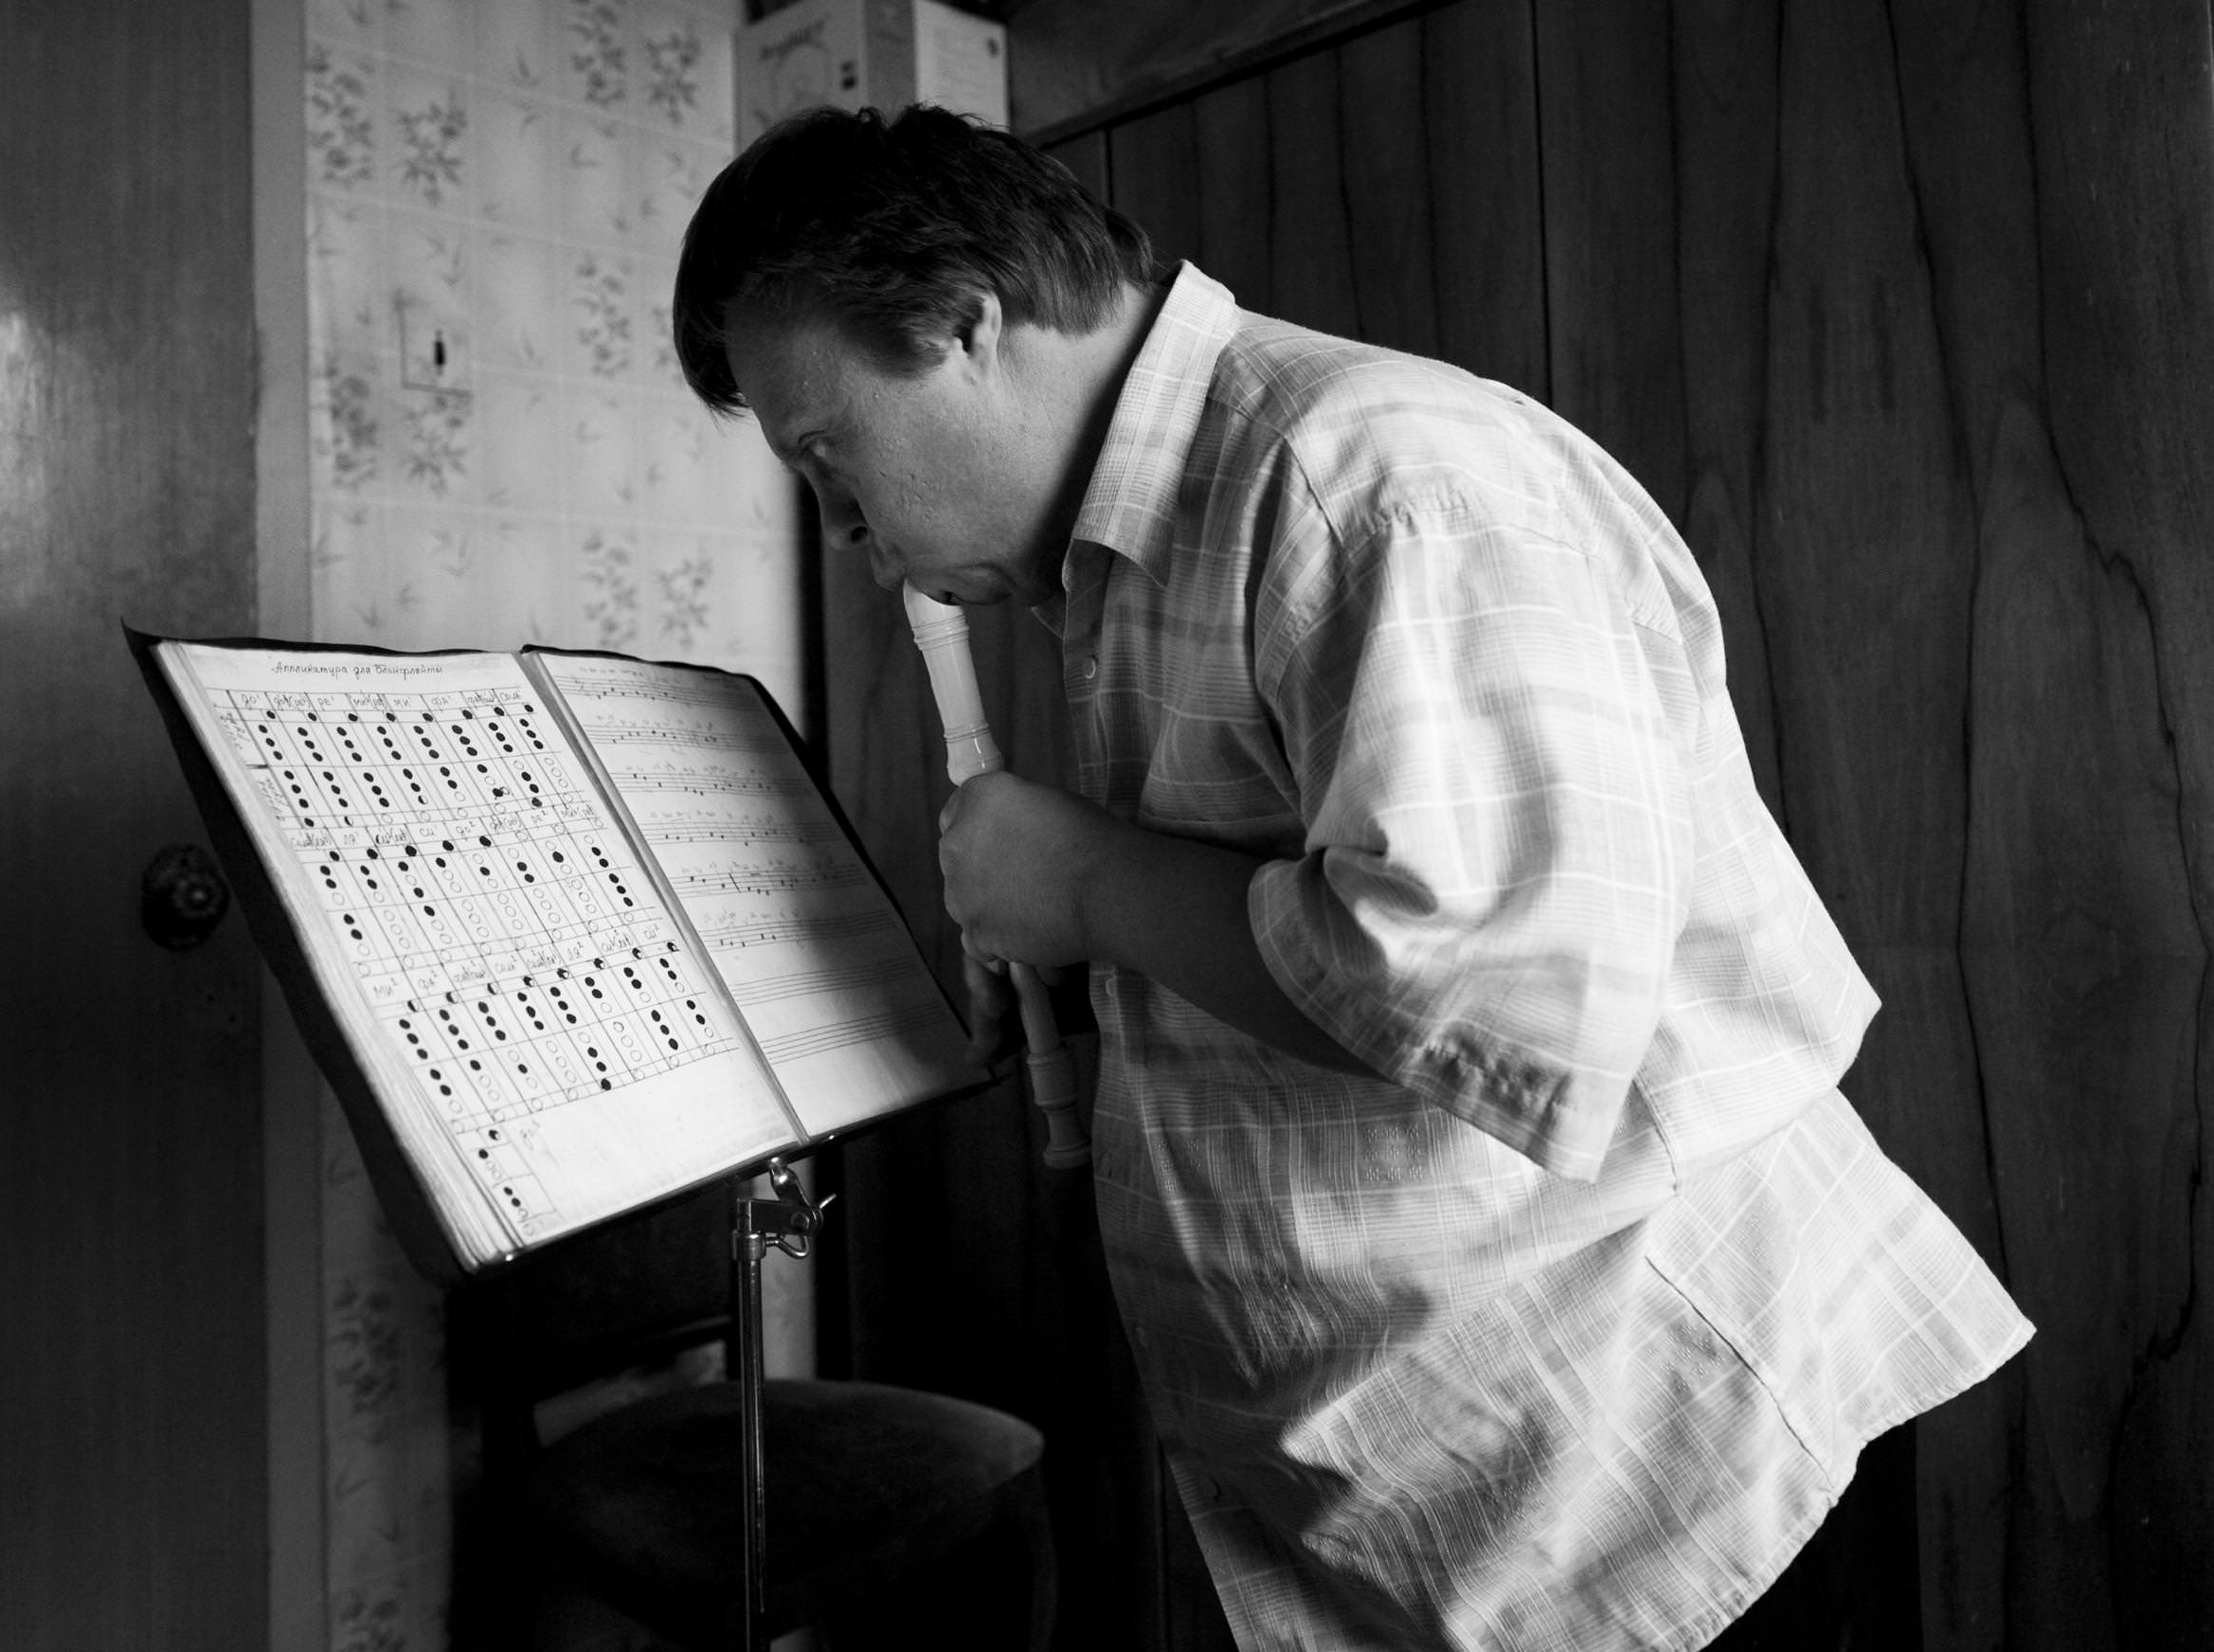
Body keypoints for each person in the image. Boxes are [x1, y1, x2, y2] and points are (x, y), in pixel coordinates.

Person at [672, 104, 2030, 1651]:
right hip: (1472, 1489)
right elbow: (1305, 919)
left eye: (826, 453)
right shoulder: (1142, 547)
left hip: (1658, 1465)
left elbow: (1495, 1002)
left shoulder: (1368, 476)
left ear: (964, 323)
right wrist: (1107, 969)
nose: (843, 528)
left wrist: (1093, 886)